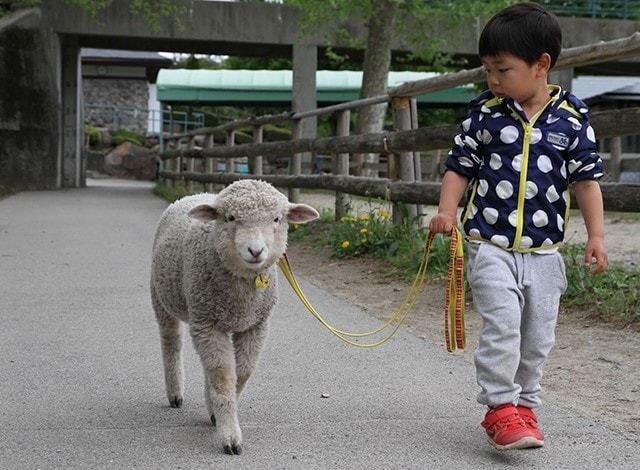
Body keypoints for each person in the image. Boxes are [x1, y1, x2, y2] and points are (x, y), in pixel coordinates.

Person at [429, 2, 608, 450]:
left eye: (502, 70)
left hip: (545, 253)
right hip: (489, 245)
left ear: (541, 64)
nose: (492, 79)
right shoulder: (486, 114)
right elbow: (458, 168)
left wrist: (597, 236)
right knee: (502, 324)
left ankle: (525, 406)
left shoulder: (572, 120)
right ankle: (499, 407)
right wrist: (448, 211)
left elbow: (586, 183)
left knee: (538, 335)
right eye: (487, 69)